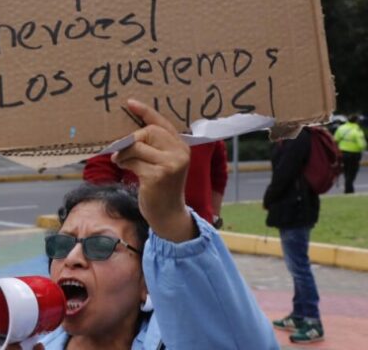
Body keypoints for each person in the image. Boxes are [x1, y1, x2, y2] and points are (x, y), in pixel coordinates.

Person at [32, 99, 276, 349]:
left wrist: (172, 222)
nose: (72, 258)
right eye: (62, 243)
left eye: (100, 244)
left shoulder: (181, 338)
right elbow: (100, 169)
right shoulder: (31, 341)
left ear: (147, 282)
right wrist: (101, 202)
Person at [264, 127, 325, 343]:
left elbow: (285, 172)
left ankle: (313, 321)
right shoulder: (295, 135)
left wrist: (269, 197)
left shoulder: (298, 136)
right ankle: (300, 315)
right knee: (297, 265)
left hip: (295, 208)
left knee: (299, 267)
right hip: (296, 206)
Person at [83, 140, 228, 227]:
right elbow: (99, 180)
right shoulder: (123, 117)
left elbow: (218, 174)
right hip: (139, 235)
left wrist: (211, 221)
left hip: (198, 232)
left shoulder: (204, 119)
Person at [334, 114, 366, 194]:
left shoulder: (341, 128)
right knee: (353, 171)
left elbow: (335, 139)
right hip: (354, 154)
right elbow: (362, 145)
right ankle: (349, 188)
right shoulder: (357, 130)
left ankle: (348, 187)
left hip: (343, 152)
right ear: (357, 121)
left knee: (346, 170)